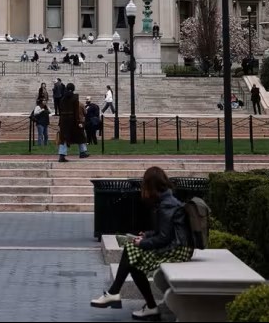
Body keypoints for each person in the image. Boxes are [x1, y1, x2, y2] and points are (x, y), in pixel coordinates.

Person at [90, 166, 192, 319]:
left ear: (151, 186)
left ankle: (115, 293)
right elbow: (165, 231)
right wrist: (147, 235)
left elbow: (164, 238)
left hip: (176, 250)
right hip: (178, 246)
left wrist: (142, 243)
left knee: (132, 253)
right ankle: (144, 304)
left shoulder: (166, 205)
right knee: (133, 259)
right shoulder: (167, 199)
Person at [57, 83, 89, 162]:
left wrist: (60, 121)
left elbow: (60, 110)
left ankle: (62, 155)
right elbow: (76, 111)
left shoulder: (62, 98)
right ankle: (82, 152)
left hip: (64, 120)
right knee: (80, 135)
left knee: (63, 138)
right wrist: (78, 121)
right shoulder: (75, 98)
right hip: (73, 120)